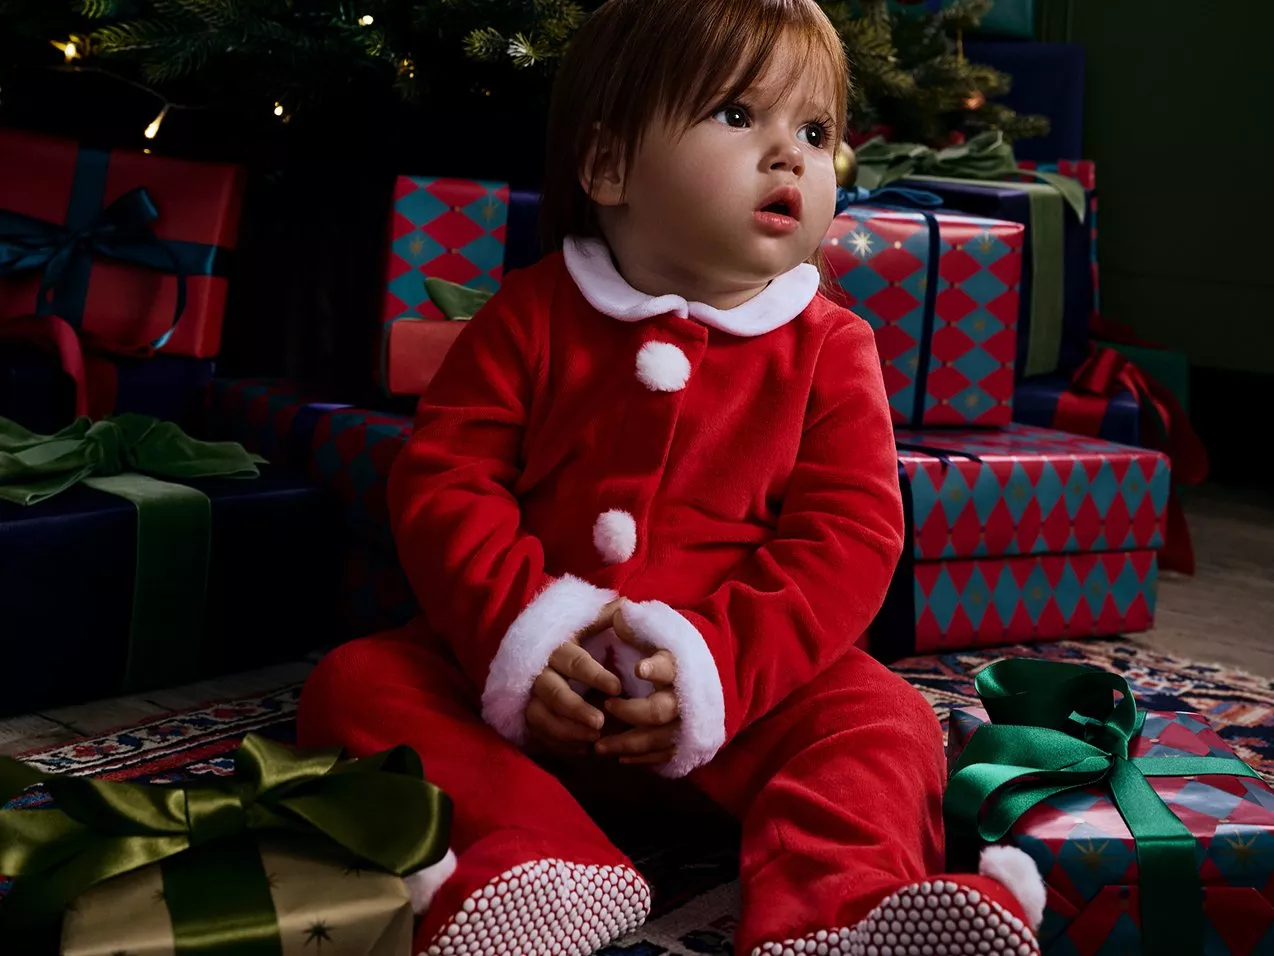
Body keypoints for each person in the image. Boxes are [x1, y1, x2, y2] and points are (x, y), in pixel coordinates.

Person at [298, 0, 1046, 953]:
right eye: (739, 117)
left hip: (741, 699)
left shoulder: (830, 347)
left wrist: (718, 673)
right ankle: (539, 865)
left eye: (815, 133)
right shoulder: (533, 313)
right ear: (609, 165)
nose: (792, 158)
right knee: (357, 686)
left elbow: (849, 539)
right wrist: (518, 639)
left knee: (886, 723)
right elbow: (448, 481)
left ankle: (839, 911)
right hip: (526, 693)